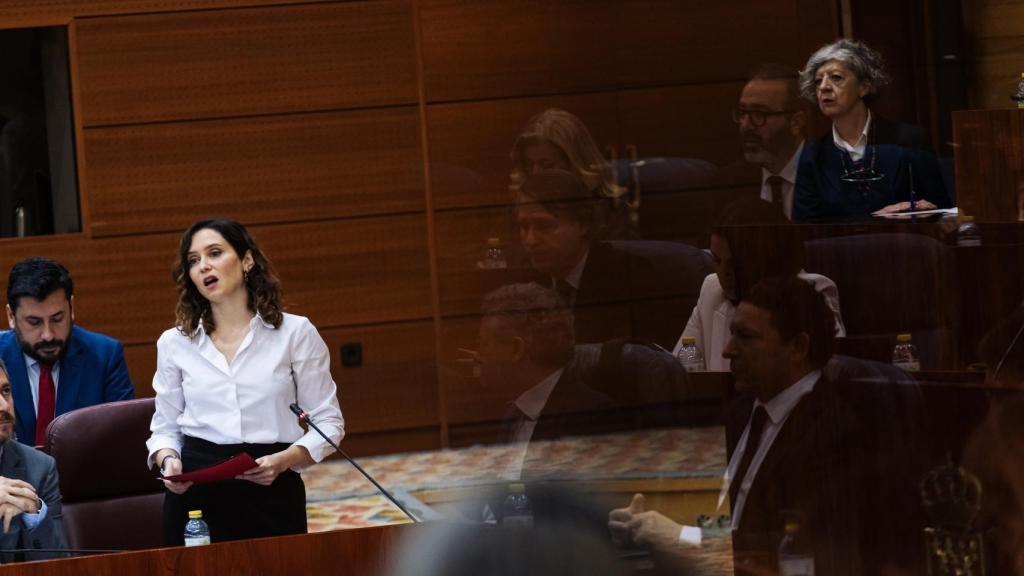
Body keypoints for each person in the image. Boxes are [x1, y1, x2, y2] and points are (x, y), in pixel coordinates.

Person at [612, 276, 922, 575]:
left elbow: (790, 546)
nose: (727, 350)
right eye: (732, 334)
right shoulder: (741, 412)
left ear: (798, 348)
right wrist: (649, 522)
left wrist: (680, 536)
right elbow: (729, 522)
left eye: (746, 337)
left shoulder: (837, 432)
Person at [146, 218, 344, 545]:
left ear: (247, 260)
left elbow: (329, 422)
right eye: (193, 261)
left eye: (214, 253)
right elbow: (165, 427)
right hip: (198, 499)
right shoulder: (174, 342)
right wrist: (169, 461)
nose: (204, 266)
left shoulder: (295, 334)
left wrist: (286, 460)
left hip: (272, 485)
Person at [515, 169, 708, 348]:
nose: (530, 240)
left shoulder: (631, 279)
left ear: (582, 224)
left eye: (544, 226)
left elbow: (633, 365)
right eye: (524, 227)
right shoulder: (522, 282)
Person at [671, 199, 845, 370]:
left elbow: (827, 374)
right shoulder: (712, 288)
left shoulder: (807, 292)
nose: (723, 274)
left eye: (735, 264)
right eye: (717, 260)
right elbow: (684, 364)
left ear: (763, 258)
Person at [792, 38, 952, 222]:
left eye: (836, 78)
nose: (824, 87)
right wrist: (878, 218)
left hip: (902, 247)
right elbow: (805, 226)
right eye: (818, 81)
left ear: (864, 87)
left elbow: (941, 210)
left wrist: (917, 210)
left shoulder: (909, 140)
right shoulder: (812, 155)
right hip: (840, 250)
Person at [1, 257, 134, 446]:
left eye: (57, 318)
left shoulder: (105, 356)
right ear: (11, 317)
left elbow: (123, 438)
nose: (48, 335)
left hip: (84, 473)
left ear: (71, 307)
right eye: (34, 322)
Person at [510, 108, 633, 238]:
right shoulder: (521, 209)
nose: (535, 174)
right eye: (529, 165)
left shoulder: (611, 209)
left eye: (547, 165)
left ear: (575, 165)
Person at [0, 359, 67, 562]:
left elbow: (61, 565)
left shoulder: (39, 468)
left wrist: (35, 516)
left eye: (5, 391)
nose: (4, 405)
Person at [727, 64, 808, 220]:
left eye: (759, 113)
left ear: (795, 123)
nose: (745, 125)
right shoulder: (728, 183)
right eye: (742, 113)